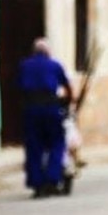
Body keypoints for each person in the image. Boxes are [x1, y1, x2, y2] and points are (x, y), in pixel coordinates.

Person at [18, 38, 73, 198]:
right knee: (57, 143)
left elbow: (19, 87)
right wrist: (67, 104)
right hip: (51, 108)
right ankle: (52, 178)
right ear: (48, 52)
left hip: (31, 110)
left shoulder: (24, 65)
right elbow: (67, 88)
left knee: (34, 146)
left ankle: (37, 184)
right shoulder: (55, 65)